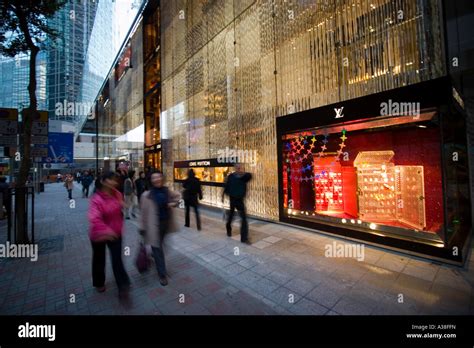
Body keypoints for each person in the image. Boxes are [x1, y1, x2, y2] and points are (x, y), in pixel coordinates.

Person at [88, 171, 131, 299]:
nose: (114, 182)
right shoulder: (97, 198)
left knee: (117, 259)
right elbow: (94, 218)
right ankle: (99, 282)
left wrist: (123, 205)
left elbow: (120, 209)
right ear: (103, 181)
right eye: (111, 180)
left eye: (115, 180)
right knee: (99, 259)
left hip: (116, 233)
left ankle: (123, 285)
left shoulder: (117, 194)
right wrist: (106, 231)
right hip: (99, 234)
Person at [139, 171, 180, 286]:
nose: (157, 179)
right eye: (154, 177)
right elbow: (143, 214)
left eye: (159, 177)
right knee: (157, 248)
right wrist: (142, 228)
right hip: (152, 226)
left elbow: (178, 197)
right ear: (151, 180)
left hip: (165, 224)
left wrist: (173, 204)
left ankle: (154, 254)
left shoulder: (167, 190)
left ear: (162, 178)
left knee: (160, 245)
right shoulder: (146, 195)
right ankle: (162, 274)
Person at [222, 163, 252, 244]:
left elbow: (250, 176)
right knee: (231, 216)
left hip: (240, 200)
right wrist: (224, 195)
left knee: (244, 219)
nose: (239, 169)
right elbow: (226, 187)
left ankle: (244, 238)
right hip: (232, 200)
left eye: (240, 168)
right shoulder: (231, 176)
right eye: (237, 168)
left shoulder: (243, 177)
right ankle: (228, 228)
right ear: (235, 168)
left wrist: (242, 173)